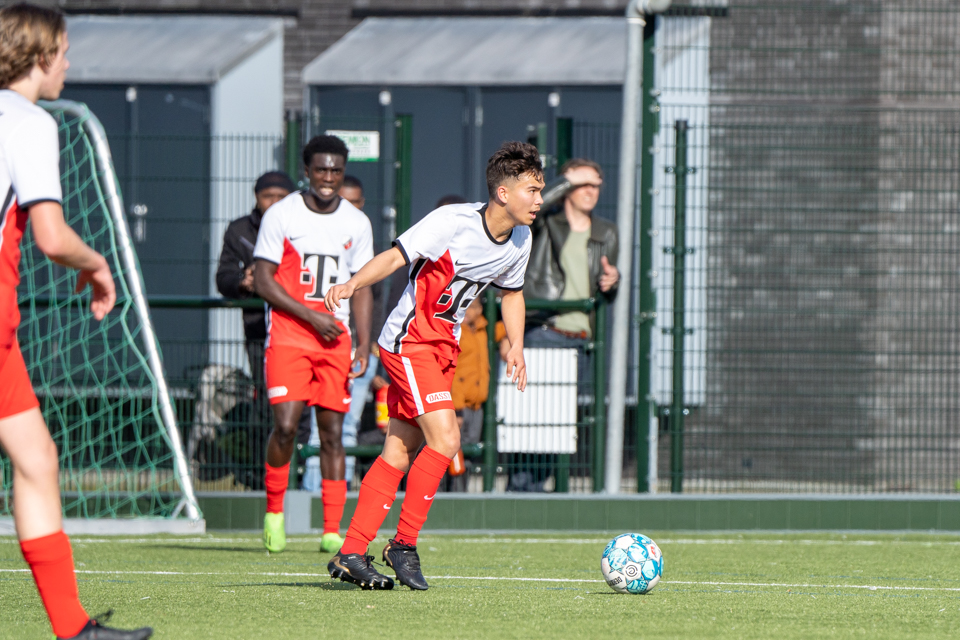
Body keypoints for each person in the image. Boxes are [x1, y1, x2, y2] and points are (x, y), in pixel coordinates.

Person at [323, 141, 541, 591]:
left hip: (442, 348)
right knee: (447, 438)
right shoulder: (452, 222)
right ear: (503, 193)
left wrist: (515, 343)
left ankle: (350, 553)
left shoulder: (522, 237)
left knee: (399, 451)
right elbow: (394, 257)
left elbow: (512, 293)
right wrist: (352, 283)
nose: (539, 200)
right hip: (409, 342)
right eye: (532, 190)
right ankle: (402, 544)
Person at [0, 5, 151, 639]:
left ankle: (73, 629)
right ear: (38, 56)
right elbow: (52, 235)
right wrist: (97, 268)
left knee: (37, 457)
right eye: (63, 50)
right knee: (36, 459)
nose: (68, 62)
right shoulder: (28, 122)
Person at [252, 135, 374, 555]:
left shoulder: (357, 223)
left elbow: (361, 288)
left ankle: (331, 529)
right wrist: (311, 316)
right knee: (286, 426)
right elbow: (264, 279)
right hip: (289, 335)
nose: (328, 178)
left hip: (335, 341)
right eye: (321, 169)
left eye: (335, 170)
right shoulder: (281, 215)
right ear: (307, 171)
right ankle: (273, 512)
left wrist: (362, 343)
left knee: (334, 435)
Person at [510, 158, 619, 492]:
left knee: (560, 424)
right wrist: (563, 180)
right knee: (533, 422)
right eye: (582, 184)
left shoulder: (606, 232)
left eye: (596, 185)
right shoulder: (545, 223)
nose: (591, 191)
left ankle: (542, 491)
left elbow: (603, 283)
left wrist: (613, 281)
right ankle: (521, 491)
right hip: (545, 330)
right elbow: (526, 210)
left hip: (581, 337)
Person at [214, 170, 299, 486]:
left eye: (281, 197)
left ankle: (303, 475)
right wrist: (245, 281)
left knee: (307, 404)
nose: (275, 203)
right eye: (268, 196)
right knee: (267, 404)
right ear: (256, 197)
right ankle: (261, 475)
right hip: (260, 332)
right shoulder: (240, 230)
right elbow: (223, 278)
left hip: (304, 325)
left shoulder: (305, 225)